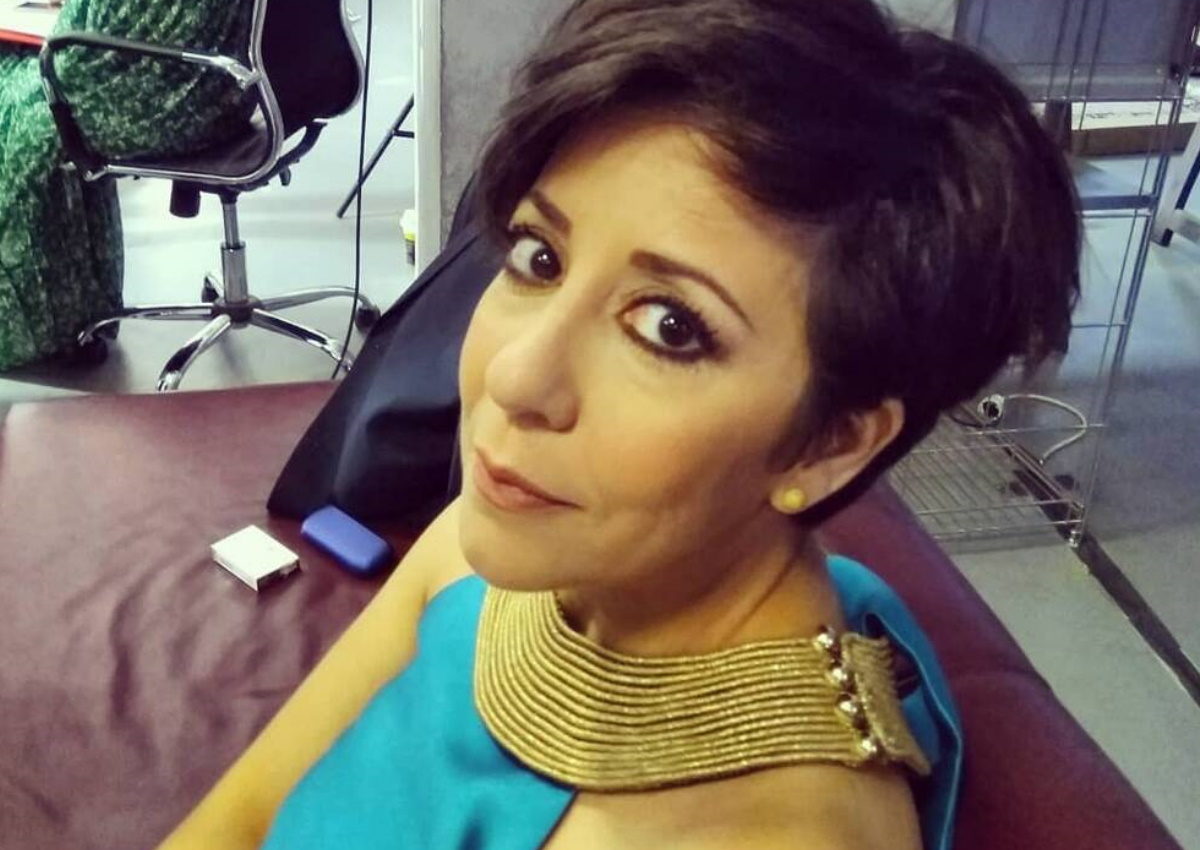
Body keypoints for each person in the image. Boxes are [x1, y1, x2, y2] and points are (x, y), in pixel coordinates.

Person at [159, 0, 1079, 847]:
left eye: (669, 327)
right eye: (539, 257)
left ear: (829, 443)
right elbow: (243, 816)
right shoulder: (499, 551)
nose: (514, 377)